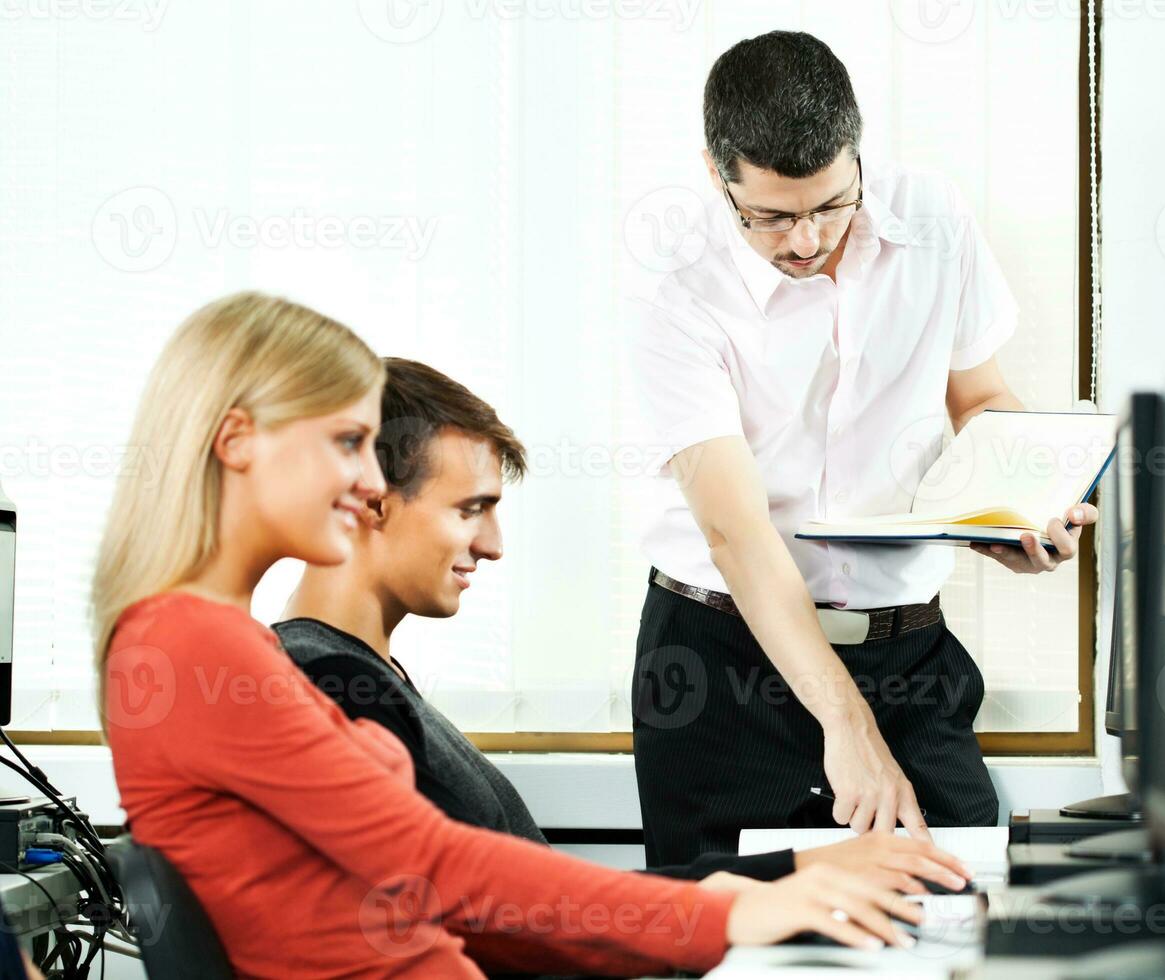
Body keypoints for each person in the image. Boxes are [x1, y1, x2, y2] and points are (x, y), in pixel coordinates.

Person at [93, 292, 924, 979]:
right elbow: (436, 866)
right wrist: (735, 906)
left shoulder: (218, 643)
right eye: (347, 442)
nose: (371, 481)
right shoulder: (191, 646)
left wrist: (764, 887)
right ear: (234, 439)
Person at [627, 31, 1100, 866]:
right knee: (741, 935)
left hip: (907, 650)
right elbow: (736, 535)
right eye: (771, 216)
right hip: (723, 664)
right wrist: (845, 724)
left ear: (858, 153)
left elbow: (980, 396)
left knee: (962, 905)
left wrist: (1024, 511)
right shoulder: (677, 285)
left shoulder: (933, 218)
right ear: (716, 173)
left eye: (831, 205)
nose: (806, 240)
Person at [273, 356, 974, 897]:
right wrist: (784, 881)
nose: (493, 545)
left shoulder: (359, 674)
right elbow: (500, 917)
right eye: (469, 510)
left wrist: (798, 873)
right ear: (368, 503)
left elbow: (520, 903)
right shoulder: (328, 683)